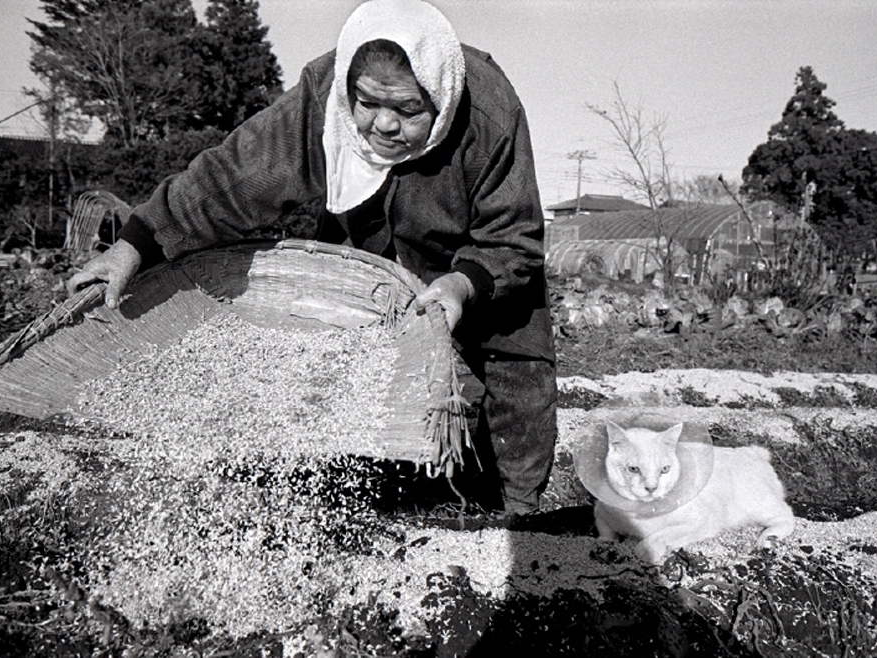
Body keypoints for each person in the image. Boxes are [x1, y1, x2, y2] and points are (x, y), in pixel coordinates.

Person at [67, 0, 557, 516]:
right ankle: (380, 504)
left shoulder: (489, 113)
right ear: (348, 88)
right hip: (372, 265)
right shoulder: (325, 94)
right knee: (365, 403)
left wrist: (462, 286)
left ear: (441, 97)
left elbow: (514, 238)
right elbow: (232, 178)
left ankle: (514, 529)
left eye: (410, 110)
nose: (384, 125)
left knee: (513, 399)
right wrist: (134, 244)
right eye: (368, 103)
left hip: (481, 274)